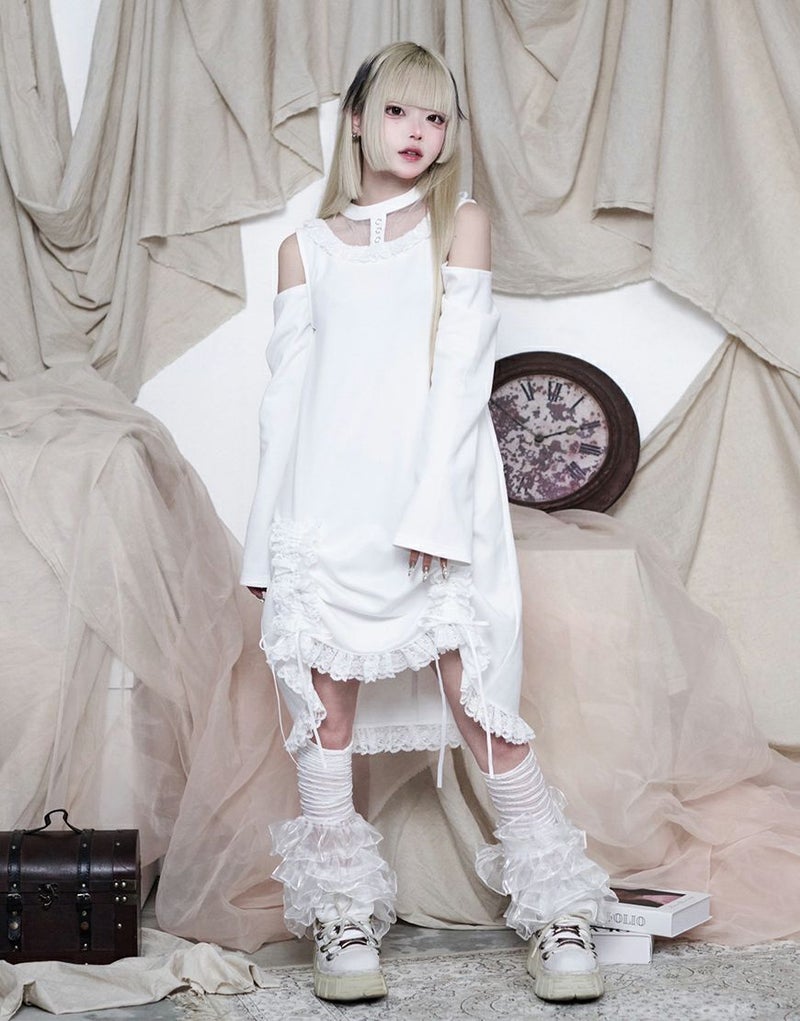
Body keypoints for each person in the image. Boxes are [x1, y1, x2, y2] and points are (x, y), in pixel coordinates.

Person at [241, 41, 616, 1006]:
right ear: (357, 122)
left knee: (478, 700)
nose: (418, 132)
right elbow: (284, 402)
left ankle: (558, 913)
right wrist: (263, 540)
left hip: (434, 501)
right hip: (326, 507)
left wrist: (434, 510)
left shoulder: (460, 223)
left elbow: (461, 377)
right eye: (400, 112)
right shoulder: (305, 248)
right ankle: (342, 916)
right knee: (324, 712)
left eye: (436, 117)